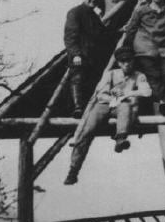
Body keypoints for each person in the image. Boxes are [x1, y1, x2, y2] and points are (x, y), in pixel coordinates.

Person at [64, 47, 152, 185]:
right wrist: (115, 98)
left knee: (125, 106)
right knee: (87, 131)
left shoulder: (139, 76)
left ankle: (121, 138)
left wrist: (127, 95)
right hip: (105, 105)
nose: (126, 64)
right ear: (118, 63)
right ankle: (73, 169)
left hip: (124, 107)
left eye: (129, 61)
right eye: (123, 61)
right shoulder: (111, 74)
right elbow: (101, 94)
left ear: (133, 61)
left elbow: (146, 92)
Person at [63, 0, 108, 118]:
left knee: (92, 81)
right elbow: (70, 36)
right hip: (80, 55)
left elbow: (104, 34)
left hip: (92, 56)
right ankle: (78, 107)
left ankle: (90, 108)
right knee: (78, 78)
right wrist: (76, 54)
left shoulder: (94, 16)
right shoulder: (75, 12)